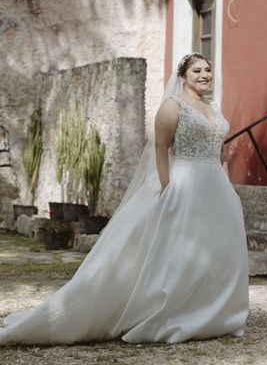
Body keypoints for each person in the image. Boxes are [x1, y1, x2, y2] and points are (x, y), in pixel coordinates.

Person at [0, 53, 249, 345]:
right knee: (177, 253)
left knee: (215, 251)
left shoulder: (213, 108)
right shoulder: (173, 106)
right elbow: (160, 147)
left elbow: (219, 152)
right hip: (184, 185)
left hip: (216, 188)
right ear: (183, 75)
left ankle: (213, 313)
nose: (204, 74)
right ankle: (171, 314)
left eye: (207, 69)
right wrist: (167, 188)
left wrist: (228, 187)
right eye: (197, 70)